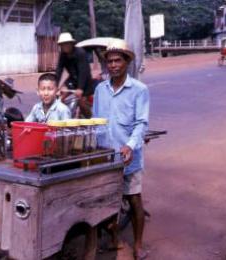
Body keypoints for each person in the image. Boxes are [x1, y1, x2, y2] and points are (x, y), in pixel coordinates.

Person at [92, 39, 150, 260]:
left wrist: (131, 145)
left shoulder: (139, 90)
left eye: (118, 60)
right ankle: (113, 239)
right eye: (110, 61)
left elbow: (141, 123)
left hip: (129, 156)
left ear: (127, 62)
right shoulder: (100, 90)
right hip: (105, 156)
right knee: (104, 201)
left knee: (134, 199)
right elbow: (96, 121)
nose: (113, 65)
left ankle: (138, 244)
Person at [55, 32, 93, 118]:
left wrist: (80, 88)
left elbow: (83, 71)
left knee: (82, 102)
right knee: (60, 97)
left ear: (72, 44)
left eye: (67, 44)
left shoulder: (80, 53)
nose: (65, 46)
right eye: (62, 45)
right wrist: (55, 85)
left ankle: (89, 118)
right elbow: (59, 69)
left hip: (85, 82)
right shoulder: (63, 55)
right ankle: (62, 116)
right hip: (72, 79)